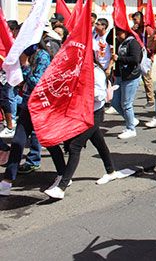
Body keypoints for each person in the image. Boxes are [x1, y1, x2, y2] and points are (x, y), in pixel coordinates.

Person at [44, 54, 130, 199]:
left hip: (94, 113)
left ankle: (62, 186)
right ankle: (111, 172)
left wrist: (82, 88)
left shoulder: (96, 72)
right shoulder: (77, 70)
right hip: (82, 112)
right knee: (99, 143)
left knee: (74, 146)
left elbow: (101, 95)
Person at [0, 40, 52, 196]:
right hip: (27, 105)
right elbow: (19, 80)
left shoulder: (43, 56)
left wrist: (26, 66)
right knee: (17, 142)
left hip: (41, 105)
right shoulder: (23, 54)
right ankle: (7, 181)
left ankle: (63, 174)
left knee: (51, 143)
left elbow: (37, 82)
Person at [111, 28, 143, 139]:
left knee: (126, 104)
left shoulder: (133, 43)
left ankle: (131, 129)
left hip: (130, 76)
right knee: (115, 102)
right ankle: (131, 120)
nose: (118, 36)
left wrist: (119, 58)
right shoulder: (119, 42)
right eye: (117, 33)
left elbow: (135, 59)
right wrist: (114, 26)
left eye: (120, 33)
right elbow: (108, 39)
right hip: (120, 76)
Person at [131, 11, 154, 108]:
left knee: (146, 79)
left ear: (141, 19)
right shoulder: (135, 30)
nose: (134, 22)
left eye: (136, 20)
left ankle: (151, 100)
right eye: (133, 20)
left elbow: (154, 41)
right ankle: (129, 99)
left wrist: (151, 54)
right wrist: (132, 30)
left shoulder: (147, 29)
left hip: (146, 57)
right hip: (137, 56)